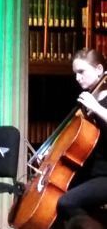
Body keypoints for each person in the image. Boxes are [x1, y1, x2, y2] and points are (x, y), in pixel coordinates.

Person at [55, 48, 107, 225]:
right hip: (88, 172)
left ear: (99, 69)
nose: (77, 78)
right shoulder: (86, 102)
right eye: (75, 73)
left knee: (66, 203)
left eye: (82, 72)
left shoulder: (94, 103)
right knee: (52, 200)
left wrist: (98, 108)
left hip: (105, 175)